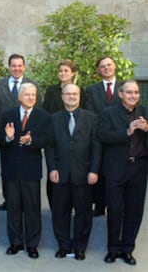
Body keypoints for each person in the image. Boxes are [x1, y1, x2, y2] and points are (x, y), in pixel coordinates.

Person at [45, 83, 101, 261]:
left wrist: (94, 170)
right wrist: (52, 168)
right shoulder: (53, 118)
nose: (71, 97)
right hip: (60, 174)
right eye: (67, 94)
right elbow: (50, 146)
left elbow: (96, 147)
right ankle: (64, 246)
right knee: (60, 212)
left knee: (83, 213)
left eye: (74, 94)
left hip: (83, 174)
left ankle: (79, 247)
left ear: (79, 96)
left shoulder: (92, 118)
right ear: (62, 97)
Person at [99, 80, 148, 266]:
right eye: (129, 92)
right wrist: (127, 131)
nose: (133, 96)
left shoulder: (145, 112)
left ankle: (128, 249)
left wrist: (147, 129)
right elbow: (103, 136)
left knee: (134, 211)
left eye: (136, 92)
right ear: (120, 94)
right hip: (116, 169)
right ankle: (112, 249)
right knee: (115, 209)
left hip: (139, 169)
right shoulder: (108, 113)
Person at [0, 83, 51, 259]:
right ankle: (15, 243)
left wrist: (31, 141)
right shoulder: (8, 115)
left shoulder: (43, 116)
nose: (31, 97)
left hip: (31, 170)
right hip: (11, 169)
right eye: (27, 94)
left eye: (33, 95)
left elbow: (46, 139)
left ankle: (32, 244)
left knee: (32, 208)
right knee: (13, 208)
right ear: (19, 97)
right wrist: (8, 137)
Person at [0, 54, 42, 211]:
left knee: (27, 169)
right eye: (13, 65)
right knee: (7, 168)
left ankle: (24, 200)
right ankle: (9, 199)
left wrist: (33, 133)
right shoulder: (0, 85)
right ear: (9, 67)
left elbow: (38, 110)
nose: (17, 68)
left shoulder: (32, 85)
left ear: (24, 67)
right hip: (7, 135)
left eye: (20, 65)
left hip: (27, 134)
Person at [42, 59, 85, 208]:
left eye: (66, 70)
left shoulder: (80, 91)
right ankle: (55, 206)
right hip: (56, 135)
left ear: (73, 73)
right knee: (54, 173)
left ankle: (72, 205)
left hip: (75, 136)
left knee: (74, 175)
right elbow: (45, 112)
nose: (63, 73)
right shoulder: (51, 90)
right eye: (60, 70)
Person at [85, 56, 122, 217]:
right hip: (99, 137)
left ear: (114, 67)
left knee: (118, 175)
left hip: (121, 138)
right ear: (99, 70)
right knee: (99, 172)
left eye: (109, 65)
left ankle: (118, 207)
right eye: (102, 66)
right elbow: (91, 114)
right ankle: (99, 206)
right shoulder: (92, 90)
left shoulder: (125, 86)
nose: (106, 68)